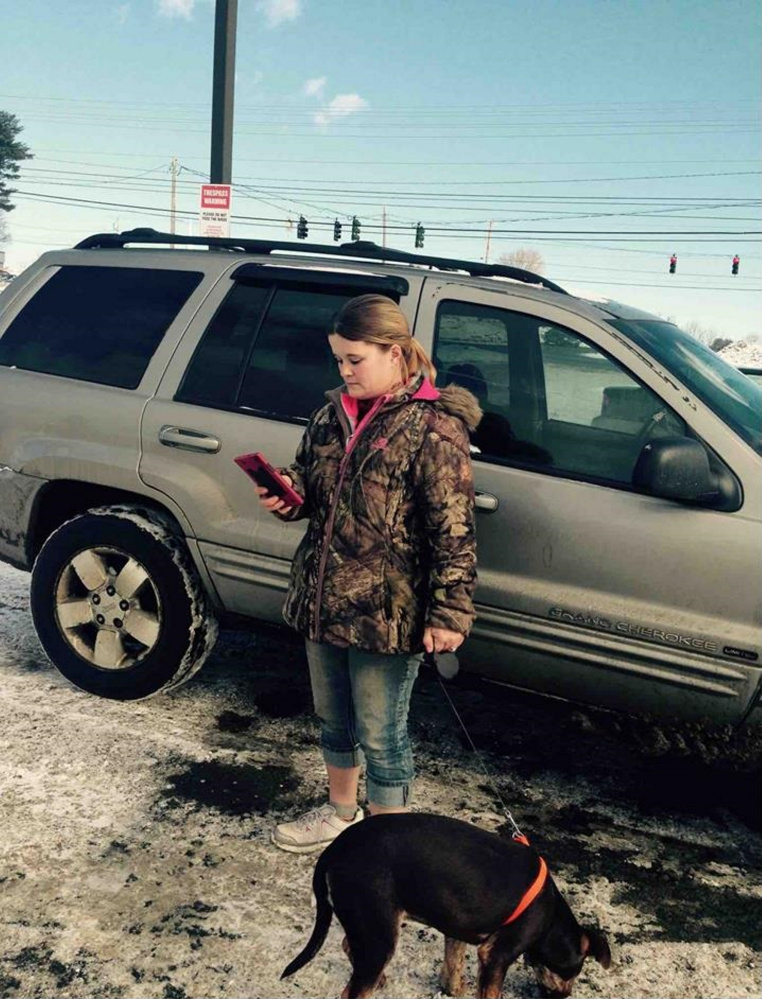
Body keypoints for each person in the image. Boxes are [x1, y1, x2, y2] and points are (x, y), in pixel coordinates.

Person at [256, 293, 481, 854]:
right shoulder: (331, 416)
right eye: (338, 360)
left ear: (396, 353)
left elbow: (453, 528)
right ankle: (340, 812)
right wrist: (288, 492)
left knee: (382, 734)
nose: (344, 371)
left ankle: (386, 847)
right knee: (334, 720)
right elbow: (312, 482)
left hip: (388, 614)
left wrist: (450, 610)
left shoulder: (432, 427)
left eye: (355, 359)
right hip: (323, 598)